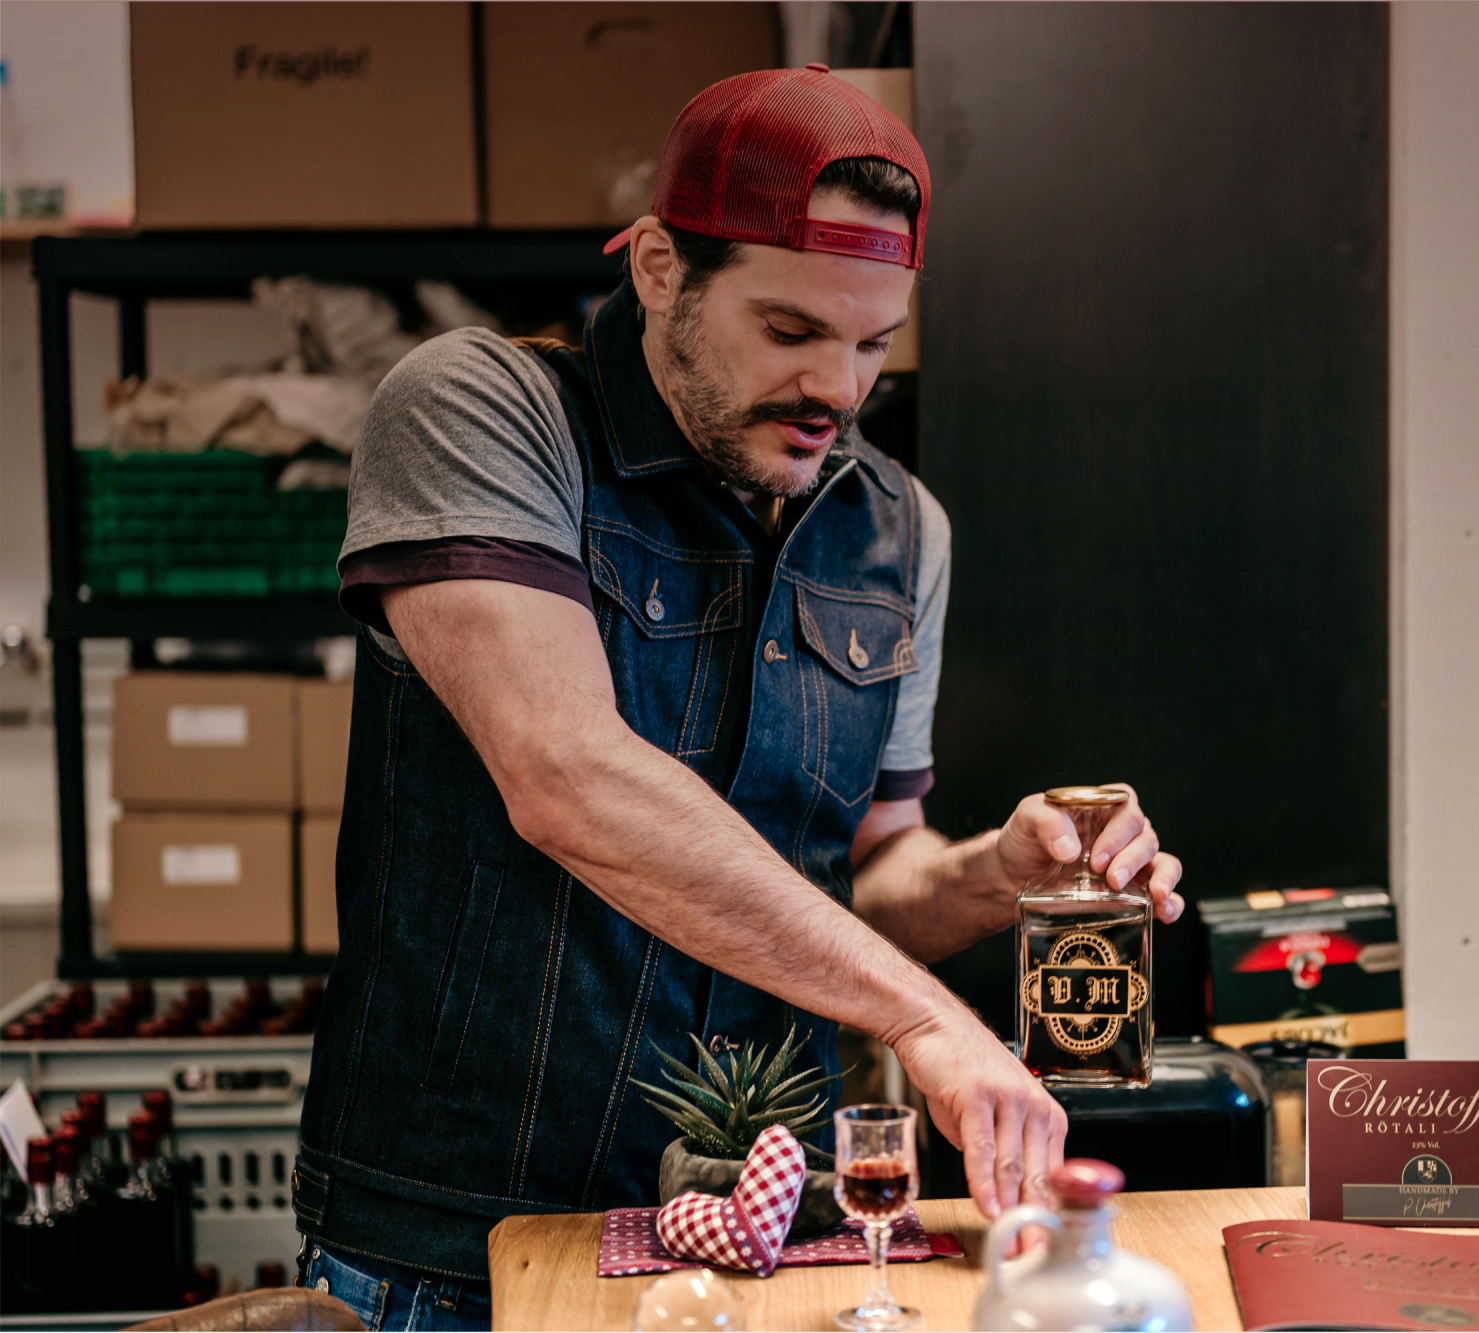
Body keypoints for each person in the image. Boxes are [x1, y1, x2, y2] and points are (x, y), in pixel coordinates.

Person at [293, 66, 1184, 1330]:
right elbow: (566, 775)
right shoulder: (484, 413)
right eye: (791, 331)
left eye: (872, 343)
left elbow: (867, 873)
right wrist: (928, 1021)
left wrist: (997, 873)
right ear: (659, 269)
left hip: (778, 1235)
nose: (839, 389)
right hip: (469, 1244)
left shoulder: (900, 531)